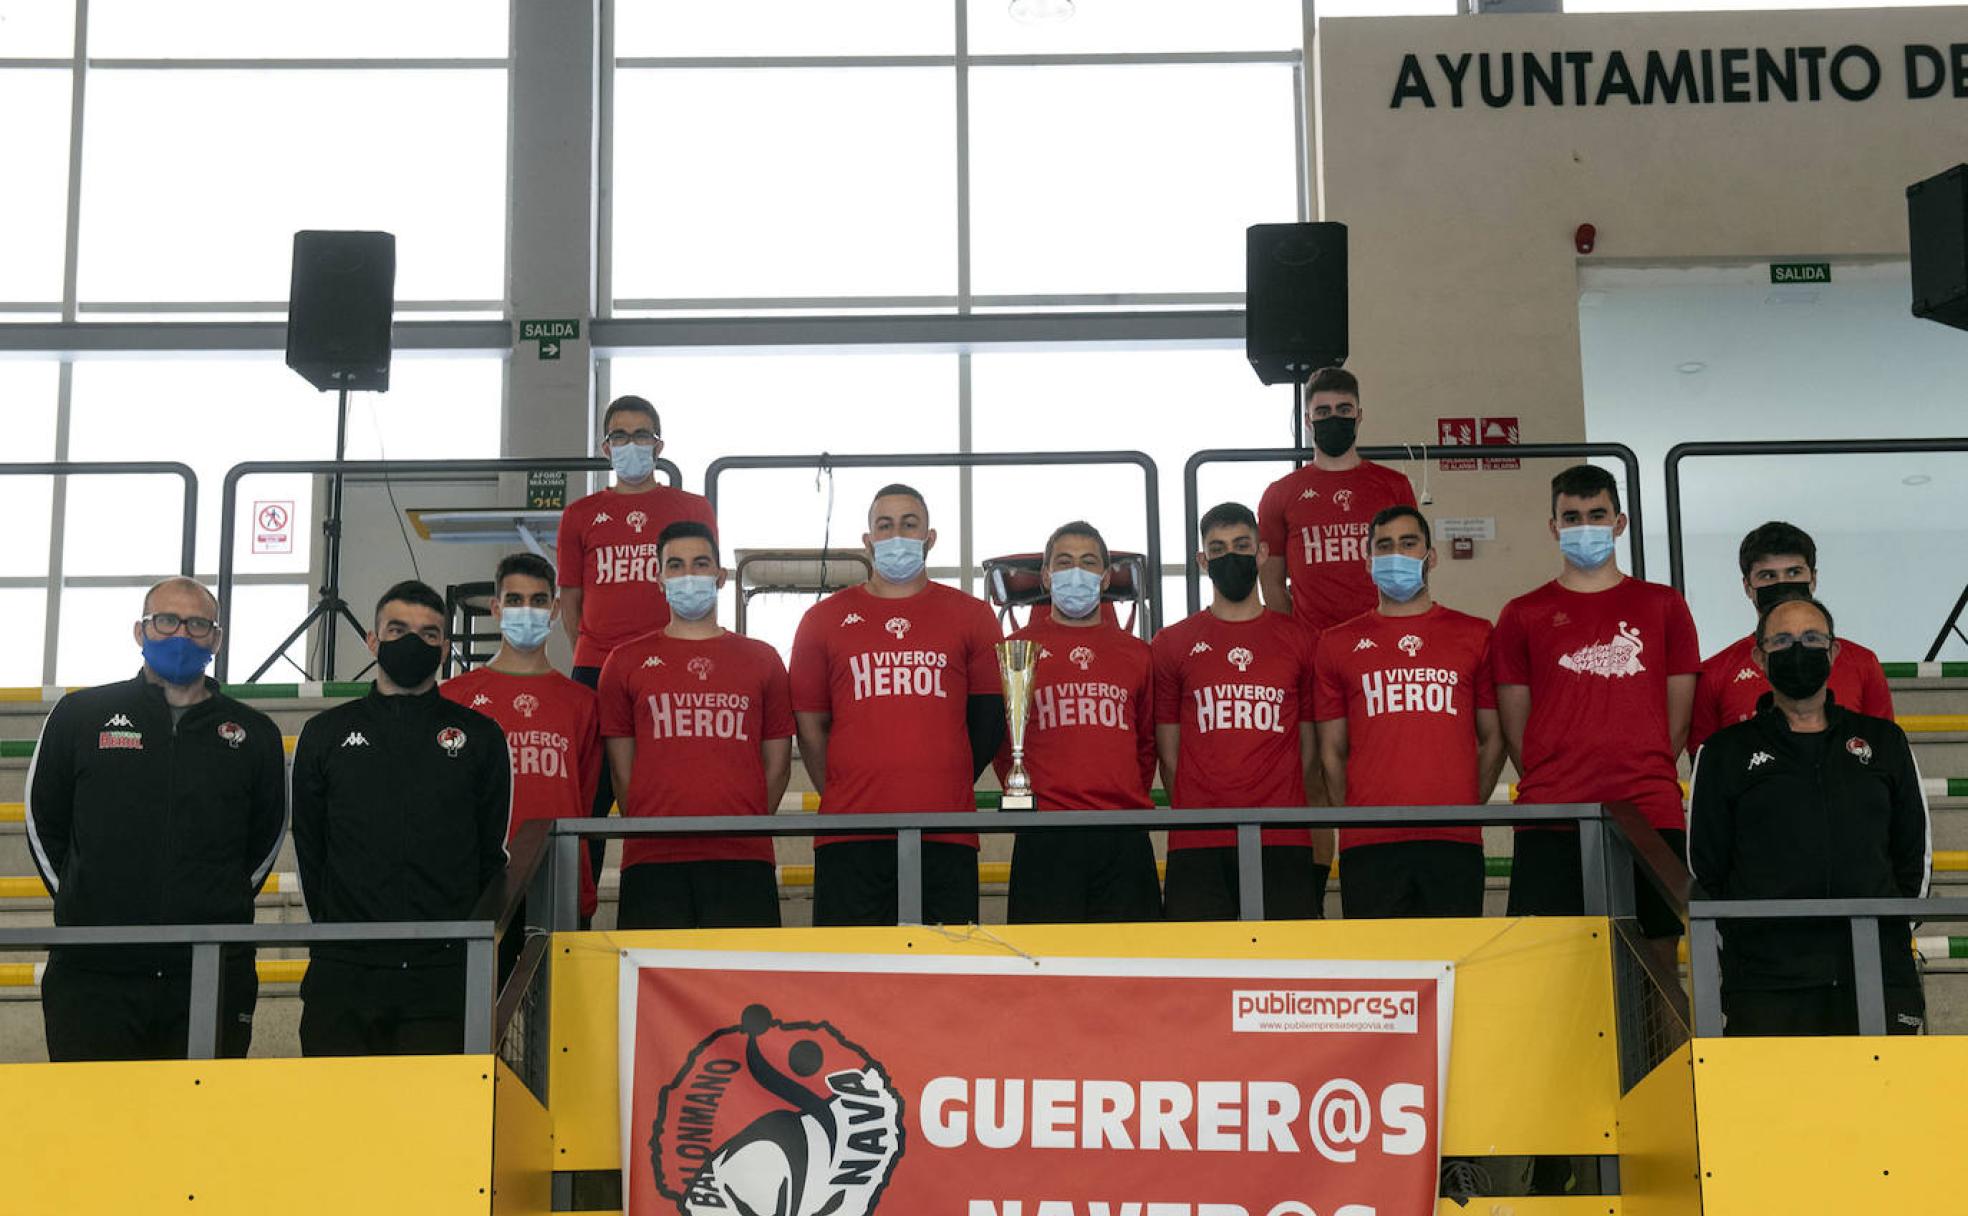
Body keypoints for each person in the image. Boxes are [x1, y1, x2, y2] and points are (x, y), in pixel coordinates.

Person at [25, 578, 285, 1061]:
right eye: (166, 621)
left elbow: (265, 838)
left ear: (217, 638)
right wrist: (87, 899)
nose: (181, 635)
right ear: (140, 631)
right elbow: (44, 822)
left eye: (198, 624)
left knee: (200, 1130)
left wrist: (212, 902)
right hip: (93, 972)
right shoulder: (80, 715)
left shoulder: (255, 733)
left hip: (209, 971)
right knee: (94, 1128)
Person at [1688, 596, 1929, 1037]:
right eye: (1782, 640)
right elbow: (1707, 866)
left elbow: (1914, 854)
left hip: (1878, 973)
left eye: (1812, 638)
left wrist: (1888, 931)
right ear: (1760, 658)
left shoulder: (1884, 741)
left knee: (1885, 1104)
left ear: (1833, 652)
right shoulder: (1725, 753)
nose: (1798, 650)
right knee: (1776, 1107)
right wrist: (1747, 943)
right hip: (1767, 984)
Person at [292, 580, 512, 1056]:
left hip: (442, 980)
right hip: (345, 976)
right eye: (398, 629)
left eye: (430, 634)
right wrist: (340, 937)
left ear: (445, 648)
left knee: (437, 1127)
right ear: (373, 641)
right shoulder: (324, 734)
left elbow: (489, 853)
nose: (414, 642)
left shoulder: (480, 736)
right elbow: (312, 849)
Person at [1493, 466, 1700, 938]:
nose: (1584, 526)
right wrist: (1558, 776)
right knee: (1545, 962)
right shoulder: (1522, 613)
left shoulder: (1663, 605)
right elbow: (1516, 727)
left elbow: (1678, 718)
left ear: (1619, 522)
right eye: (1571, 516)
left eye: (1597, 514)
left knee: (1657, 966)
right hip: (1552, 812)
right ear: (1553, 527)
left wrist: (1638, 767)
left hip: (1649, 810)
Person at [789, 484, 1004, 926]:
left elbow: (988, 722)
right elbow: (811, 726)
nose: (897, 535)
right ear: (867, 541)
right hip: (849, 833)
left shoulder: (972, 615)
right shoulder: (822, 620)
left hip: (946, 831)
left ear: (930, 537)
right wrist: (843, 787)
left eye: (910, 524)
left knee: (946, 980)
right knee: (851, 981)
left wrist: (945, 779)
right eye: (884, 526)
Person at [599, 521, 793, 929]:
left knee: (745, 990)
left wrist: (747, 825)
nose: (689, 575)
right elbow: (621, 769)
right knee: (649, 991)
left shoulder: (763, 659)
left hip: (742, 859)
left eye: (701, 564)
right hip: (652, 861)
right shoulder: (623, 661)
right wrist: (653, 829)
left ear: (720, 577)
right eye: (676, 565)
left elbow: (777, 765)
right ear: (659, 579)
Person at [556, 394, 719, 883]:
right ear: (606, 447)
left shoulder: (691, 507)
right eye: (620, 435)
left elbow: (702, 579)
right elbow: (571, 600)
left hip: (671, 667)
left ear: (659, 444)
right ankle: (574, 919)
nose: (631, 443)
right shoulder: (581, 515)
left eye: (641, 434)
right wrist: (594, 650)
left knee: (668, 788)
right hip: (596, 669)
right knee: (589, 801)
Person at [1315, 506, 1504, 919]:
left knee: (1455, 969)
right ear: (1368, 562)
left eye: (1408, 543)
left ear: (1431, 556)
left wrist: (1467, 804)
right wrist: (1355, 821)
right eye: (1384, 546)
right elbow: (1331, 751)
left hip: (1454, 838)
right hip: (1370, 843)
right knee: (1380, 975)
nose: (1396, 554)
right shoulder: (1335, 643)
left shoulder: (1475, 633)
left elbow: (1494, 738)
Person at [1153, 502, 1326, 921]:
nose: (1230, 556)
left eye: (1241, 545)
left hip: (1282, 837)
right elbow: (1169, 753)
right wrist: (1199, 811)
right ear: (1202, 560)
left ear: (1262, 553)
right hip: (1198, 841)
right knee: (1199, 976)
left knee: (1286, 974)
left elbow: (1309, 749)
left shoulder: (1302, 640)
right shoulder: (1171, 642)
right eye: (1218, 548)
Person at [996, 521, 1160, 924]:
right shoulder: (1016, 651)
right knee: (1045, 974)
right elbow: (1004, 746)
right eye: (1065, 562)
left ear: (1105, 578)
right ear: (1047, 576)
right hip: (1045, 834)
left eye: (1089, 563)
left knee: (1133, 973)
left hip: (1123, 832)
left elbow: (1146, 744)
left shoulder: (1138, 653)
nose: (1077, 571)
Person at [440, 553, 601, 923]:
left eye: (538, 600)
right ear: (496, 608)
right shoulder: (455, 696)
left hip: (560, 880)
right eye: (514, 600)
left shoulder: (583, 702)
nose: (526, 610)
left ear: (556, 609)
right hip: (479, 883)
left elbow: (584, 795)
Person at [1688, 520, 1894, 755]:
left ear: (1813, 579)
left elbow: (1882, 753)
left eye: (1794, 572)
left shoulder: (1863, 663)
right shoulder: (1715, 673)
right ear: (1747, 587)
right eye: (1768, 575)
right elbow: (1706, 769)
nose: (1782, 583)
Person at [1258, 366, 1419, 632]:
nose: (1334, 418)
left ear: (1358, 416)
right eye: (1323, 412)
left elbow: (1410, 569)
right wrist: (1299, 637)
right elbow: (1271, 584)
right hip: (1314, 649)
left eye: (1344, 410)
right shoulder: (1280, 494)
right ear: (1308, 420)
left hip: (1380, 639)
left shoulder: (1393, 486)